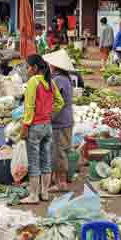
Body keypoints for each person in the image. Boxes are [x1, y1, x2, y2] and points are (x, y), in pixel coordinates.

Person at [21, 54, 64, 204]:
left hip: (35, 126)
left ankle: (33, 195)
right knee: (46, 160)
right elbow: (60, 101)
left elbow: (29, 106)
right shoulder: (49, 82)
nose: (27, 70)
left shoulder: (33, 81)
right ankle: (44, 192)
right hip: (47, 126)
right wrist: (49, 113)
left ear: (34, 68)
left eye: (27, 67)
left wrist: (25, 125)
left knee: (34, 162)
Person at [43, 49, 74, 193]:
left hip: (59, 121)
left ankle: (61, 182)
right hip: (65, 119)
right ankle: (57, 180)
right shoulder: (65, 78)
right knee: (59, 151)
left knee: (58, 152)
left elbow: (55, 100)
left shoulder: (58, 80)